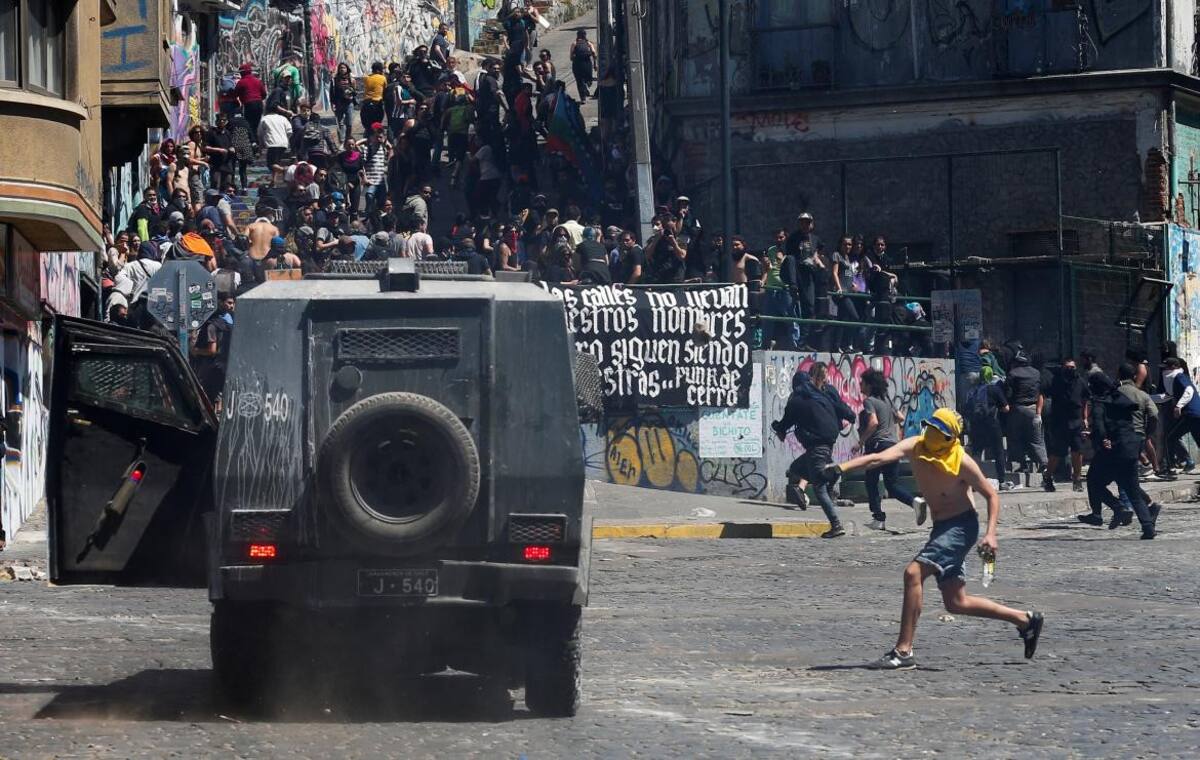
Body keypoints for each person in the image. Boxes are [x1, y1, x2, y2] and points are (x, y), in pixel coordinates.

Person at [823, 408, 1045, 669]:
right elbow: (877, 458)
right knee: (956, 602)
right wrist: (840, 467)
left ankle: (903, 652)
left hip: (961, 527)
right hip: (941, 527)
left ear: (951, 438)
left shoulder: (961, 461)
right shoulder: (916, 445)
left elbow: (991, 495)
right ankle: (1026, 620)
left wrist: (991, 534)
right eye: (932, 428)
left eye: (940, 432)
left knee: (913, 574)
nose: (933, 435)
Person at [770, 364, 855, 538]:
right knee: (795, 468)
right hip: (826, 443)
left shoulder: (797, 400)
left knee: (819, 488)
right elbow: (841, 408)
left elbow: (785, 422)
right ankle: (829, 472)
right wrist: (850, 415)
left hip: (817, 446)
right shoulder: (821, 395)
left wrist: (778, 427)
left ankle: (836, 525)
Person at [1080, 367, 1161, 539]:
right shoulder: (1120, 398)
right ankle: (1148, 527)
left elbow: (1102, 426)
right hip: (1131, 446)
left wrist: (1099, 438)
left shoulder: (1100, 402)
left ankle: (1117, 508)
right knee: (1132, 489)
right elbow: (1121, 424)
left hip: (1113, 450)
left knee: (1094, 482)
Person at [858, 369, 927, 530]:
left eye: (862, 382)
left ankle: (878, 518)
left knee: (871, 482)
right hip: (892, 446)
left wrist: (861, 441)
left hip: (877, 445)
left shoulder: (869, 401)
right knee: (892, 485)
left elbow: (873, 422)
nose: (860, 385)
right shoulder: (886, 401)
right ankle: (914, 501)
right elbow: (901, 418)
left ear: (869, 385)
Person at [1005, 351, 1049, 488]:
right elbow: (1041, 392)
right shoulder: (1036, 373)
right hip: (1034, 409)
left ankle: (1021, 464)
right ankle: (1044, 465)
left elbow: (1008, 392)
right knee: (1037, 440)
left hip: (1018, 409)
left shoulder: (1013, 373)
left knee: (1016, 438)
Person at [1045, 357, 1089, 492]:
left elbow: (1085, 400)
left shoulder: (1080, 382)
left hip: (1076, 422)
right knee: (1057, 453)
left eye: (1072, 367)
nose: (1070, 370)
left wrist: (1085, 418)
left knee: (1078, 451)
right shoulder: (1056, 381)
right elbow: (1045, 394)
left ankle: (1077, 479)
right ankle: (1048, 477)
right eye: (1067, 367)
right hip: (1060, 422)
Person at [965, 366, 1012, 489]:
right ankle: (1002, 482)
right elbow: (1006, 408)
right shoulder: (994, 389)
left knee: (976, 453)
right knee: (998, 452)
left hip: (976, 425)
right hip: (992, 424)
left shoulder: (973, 391)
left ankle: (973, 482)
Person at [192, 294, 235, 406]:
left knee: (206, 399)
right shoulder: (227, 325)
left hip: (211, 368)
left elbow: (212, 350)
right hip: (226, 365)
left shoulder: (211, 326)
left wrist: (196, 351)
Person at [1160, 357, 1200, 476]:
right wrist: (1147, 398)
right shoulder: (1177, 379)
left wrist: (1178, 406)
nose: (1164, 370)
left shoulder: (1179, 376)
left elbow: (1189, 390)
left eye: (1166, 367)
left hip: (1190, 414)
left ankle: (1170, 468)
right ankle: (1184, 464)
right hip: (1195, 414)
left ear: (1173, 367)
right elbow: (1167, 396)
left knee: (1169, 438)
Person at [257, 104, 293, 185]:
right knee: (276, 163)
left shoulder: (265, 119)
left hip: (272, 143)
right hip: (283, 144)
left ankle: (285, 170)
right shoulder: (283, 118)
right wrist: (286, 139)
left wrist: (260, 147)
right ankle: (274, 181)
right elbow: (290, 131)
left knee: (270, 164)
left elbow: (260, 134)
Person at [232, 63, 267, 141]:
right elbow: (264, 94)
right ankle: (256, 143)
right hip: (259, 104)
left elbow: (235, 94)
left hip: (249, 105)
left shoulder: (241, 82)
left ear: (242, 72)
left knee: (249, 125)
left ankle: (252, 143)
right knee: (256, 124)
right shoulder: (257, 81)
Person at [331, 62, 356, 142]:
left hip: (349, 103)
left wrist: (351, 93)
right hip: (339, 103)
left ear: (347, 69)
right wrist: (332, 104)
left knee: (349, 123)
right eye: (341, 68)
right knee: (341, 123)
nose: (342, 69)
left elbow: (355, 91)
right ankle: (342, 140)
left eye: (344, 68)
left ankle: (348, 139)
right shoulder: (335, 80)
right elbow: (332, 92)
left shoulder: (351, 79)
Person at [569, 29, 598, 100]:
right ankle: (585, 87)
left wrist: (575, 57)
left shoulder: (574, 43)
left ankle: (583, 98)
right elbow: (594, 54)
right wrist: (595, 64)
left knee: (579, 81)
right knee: (588, 79)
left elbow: (571, 57)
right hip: (587, 63)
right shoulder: (589, 43)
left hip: (577, 64)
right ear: (585, 35)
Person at [361, 61, 388, 133]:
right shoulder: (383, 78)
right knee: (377, 124)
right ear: (379, 70)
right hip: (377, 103)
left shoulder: (366, 78)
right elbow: (385, 89)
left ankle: (368, 138)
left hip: (366, 103)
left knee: (368, 126)